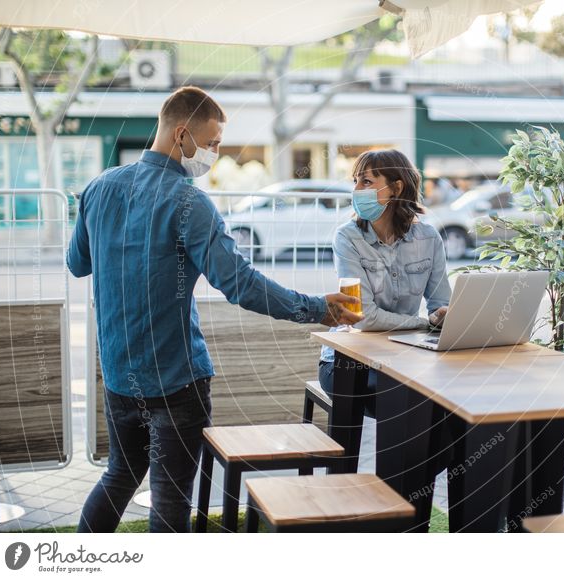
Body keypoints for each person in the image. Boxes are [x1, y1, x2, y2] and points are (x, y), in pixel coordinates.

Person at [67, 86, 361, 533]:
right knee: (170, 498)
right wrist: (317, 308)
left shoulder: (99, 187)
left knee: (119, 475)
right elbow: (240, 284)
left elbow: (76, 264)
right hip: (176, 381)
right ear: (182, 134)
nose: (216, 154)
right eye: (213, 143)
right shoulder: (189, 202)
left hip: (118, 375)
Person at [318, 149, 451, 406]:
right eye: (355, 181)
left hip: (404, 358)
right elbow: (362, 318)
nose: (356, 189)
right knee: (411, 396)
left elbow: (441, 305)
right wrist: (425, 322)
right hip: (347, 365)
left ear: (396, 188)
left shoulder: (429, 238)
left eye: (366, 181)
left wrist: (444, 317)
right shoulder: (347, 238)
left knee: (449, 391)